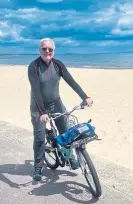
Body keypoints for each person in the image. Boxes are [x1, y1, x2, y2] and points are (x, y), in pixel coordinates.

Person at [28, 38, 93, 181]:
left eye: (50, 49)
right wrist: (42, 112)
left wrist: (85, 97)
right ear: (40, 50)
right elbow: (36, 91)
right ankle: (38, 167)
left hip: (56, 103)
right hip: (38, 107)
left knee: (66, 131)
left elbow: (71, 81)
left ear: (53, 51)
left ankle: (69, 158)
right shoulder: (33, 66)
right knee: (39, 137)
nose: (47, 51)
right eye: (44, 49)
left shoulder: (58, 65)